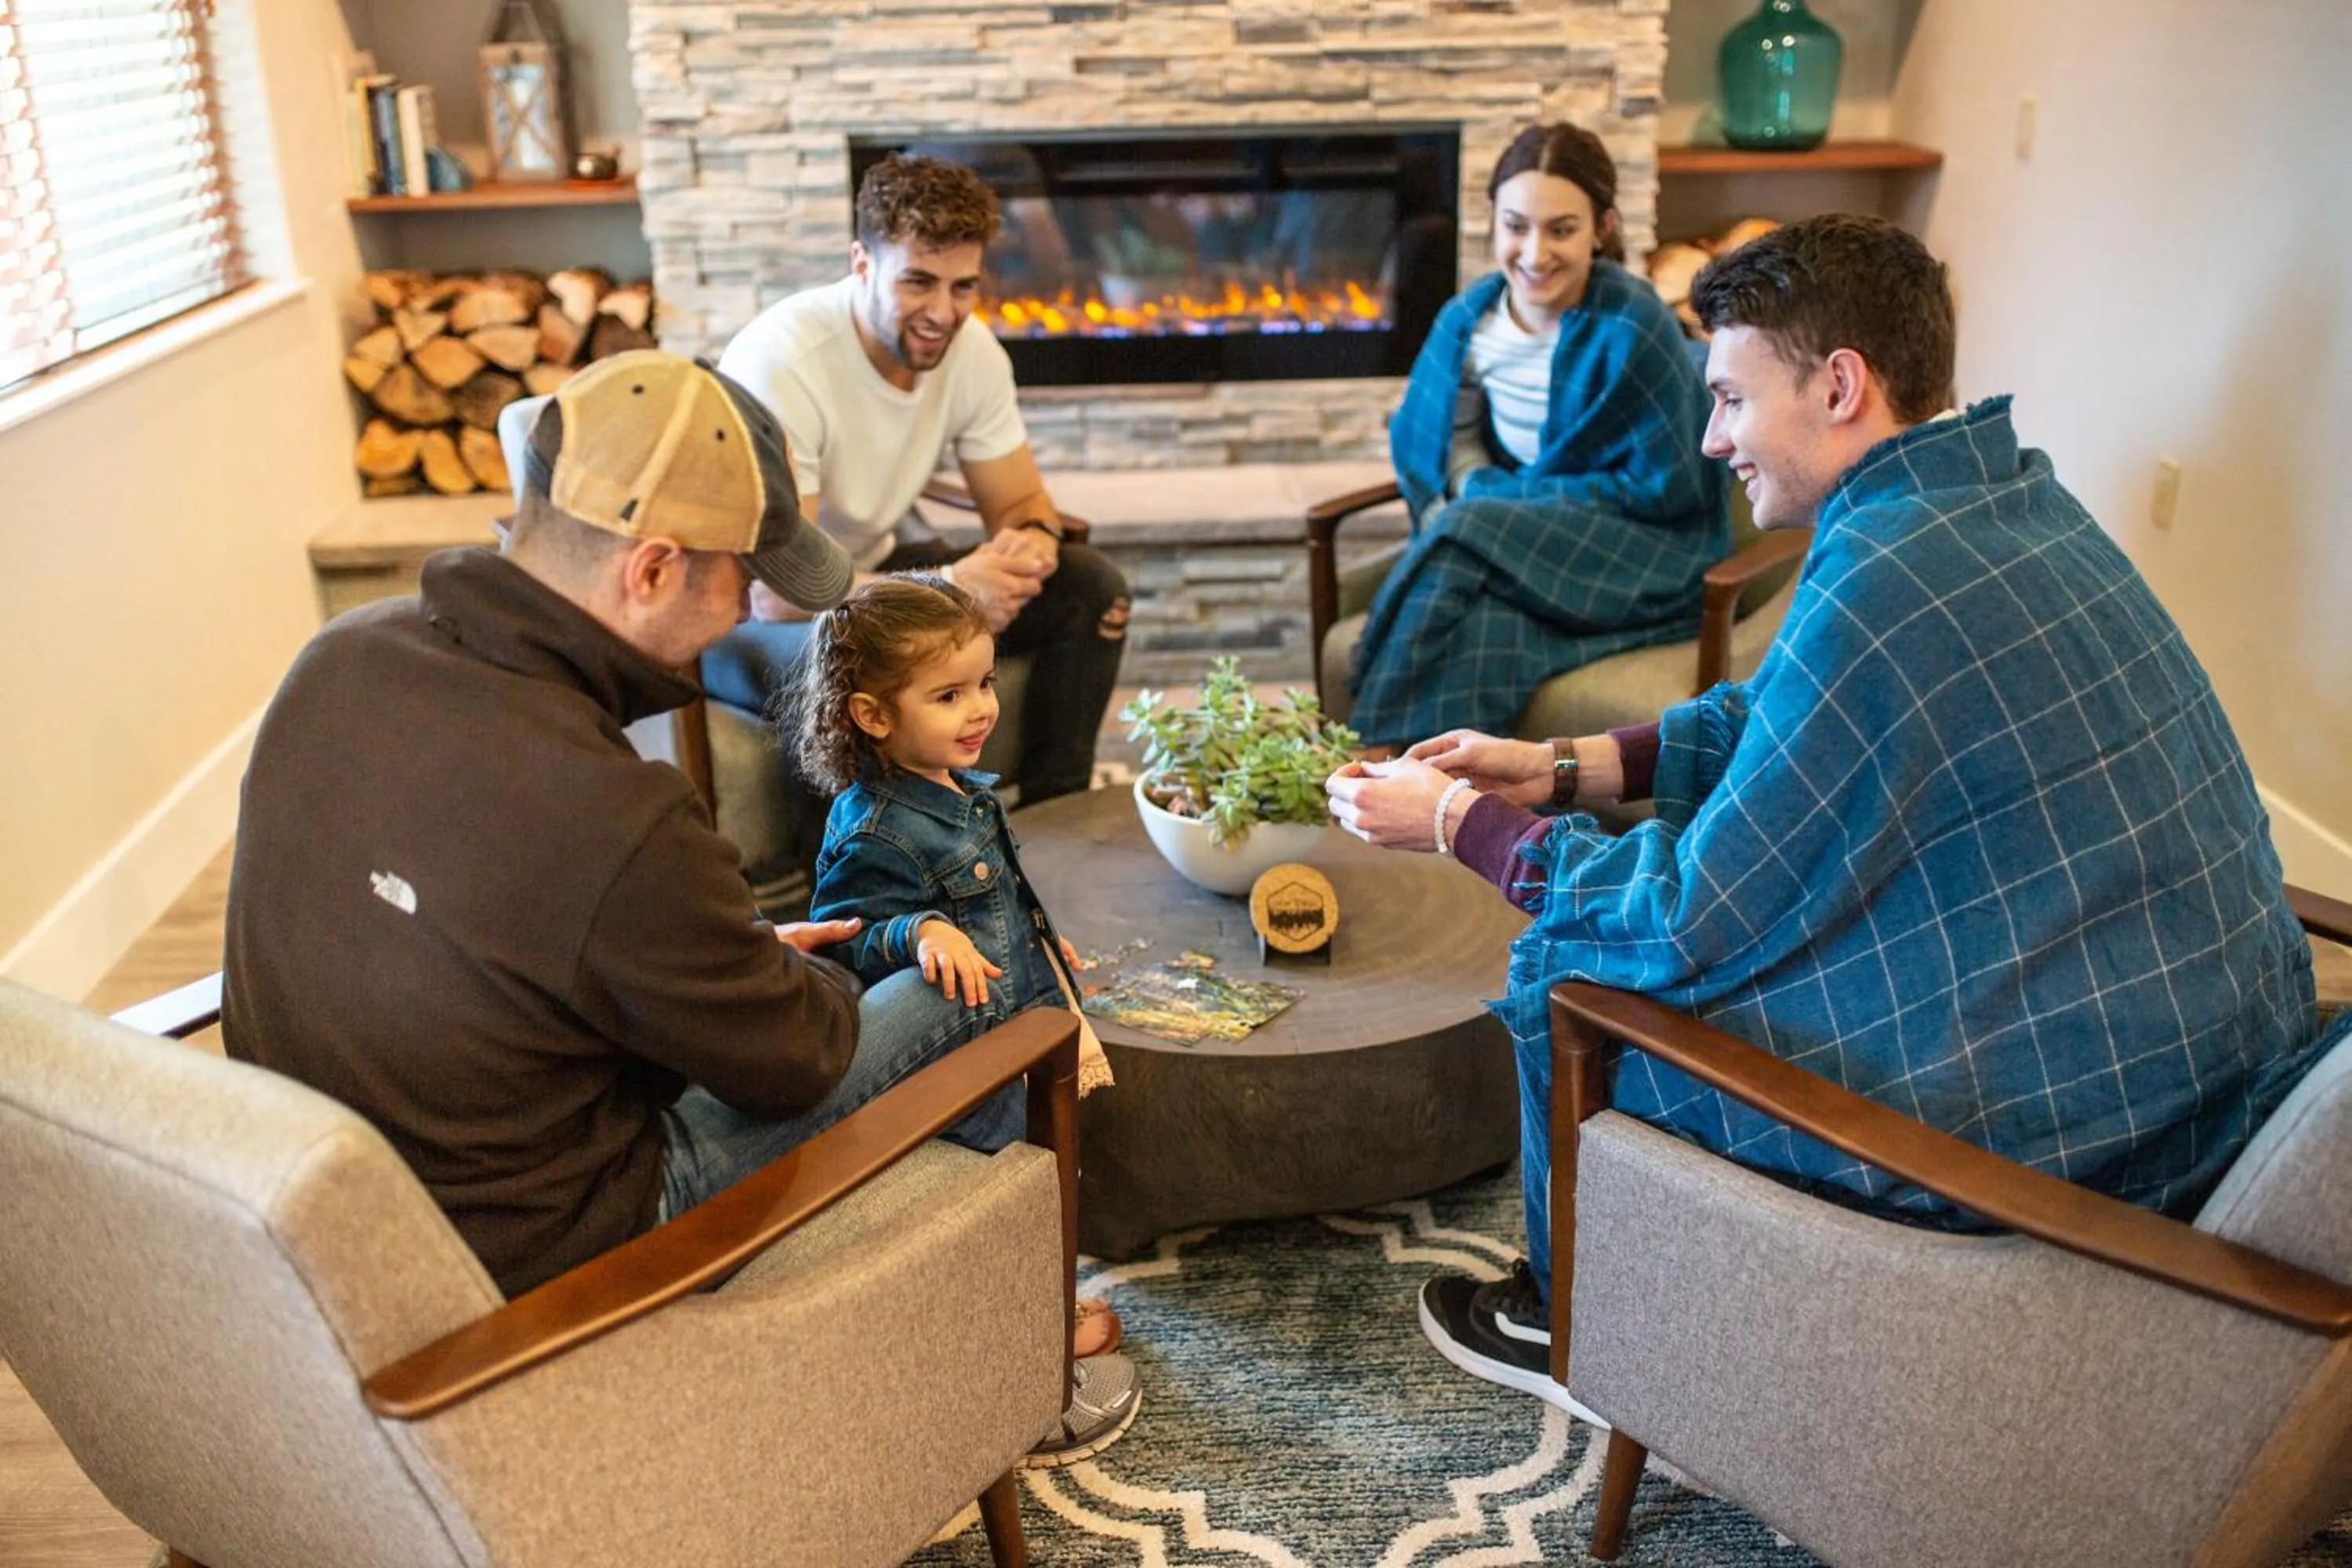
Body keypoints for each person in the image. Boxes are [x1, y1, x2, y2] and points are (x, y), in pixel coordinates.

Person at [1327, 215, 2339, 1417]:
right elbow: (1786, 712)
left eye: (1732, 401)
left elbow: (1684, 913)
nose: (1713, 440)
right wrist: (1555, 767)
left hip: (2093, 1141)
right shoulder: (1998, 498)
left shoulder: (1888, 575)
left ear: (1841, 385)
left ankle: (1576, 1318)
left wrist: (1457, 824)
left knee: (1582, 978)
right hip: (2193, 1040)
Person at [223, 350, 1139, 1460]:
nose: (756, 611)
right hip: (546, 1249)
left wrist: (723, 948)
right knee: (983, 988)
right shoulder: (617, 816)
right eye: (744, 579)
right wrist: (765, 970)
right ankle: (1015, 1341)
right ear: (652, 568)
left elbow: (497, 936)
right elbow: (796, 1060)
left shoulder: (338, 660)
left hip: (329, 1219)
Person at [711, 151, 1131, 818]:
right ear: (861, 264)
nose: (943, 312)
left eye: (963, 287)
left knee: (1087, 585)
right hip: (751, 619)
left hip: (868, 572)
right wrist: (952, 587)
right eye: (918, 283)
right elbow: (778, 593)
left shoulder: (973, 354)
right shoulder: (785, 362)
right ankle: (851, 891)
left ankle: (1057, 822)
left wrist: (1031, 544)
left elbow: (1021, 503)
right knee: (849, 648)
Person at [794, 574, 1130, 1374]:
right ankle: (1018, 1330)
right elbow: (845, 938)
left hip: (1017, 1014)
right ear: (872, 715)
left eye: (983, 683)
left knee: (1046, 1166)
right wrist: (919, 929)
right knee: (1000, 1188)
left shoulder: (959, 788)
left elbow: (997, 888)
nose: (981, 708)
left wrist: (1038, 936)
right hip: (961, 1059)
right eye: (948, 695)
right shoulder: (874, 826)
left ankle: (1038, 1297)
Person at [1345, 122, 1726, 750]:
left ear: (1602, 227)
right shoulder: (1470, 321)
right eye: (1516, 225)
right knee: (1487, 635)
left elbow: (1670, 487)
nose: (1534, 252)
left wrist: (1501, 501)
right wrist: (1483, 490)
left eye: (1562, 229)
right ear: (1493, 222)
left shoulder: (1635, 323)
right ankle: (1431, 797)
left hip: (1641, 546)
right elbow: (1446, 440)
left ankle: (1360, 739)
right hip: (1517, 534)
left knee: (1464, 526)